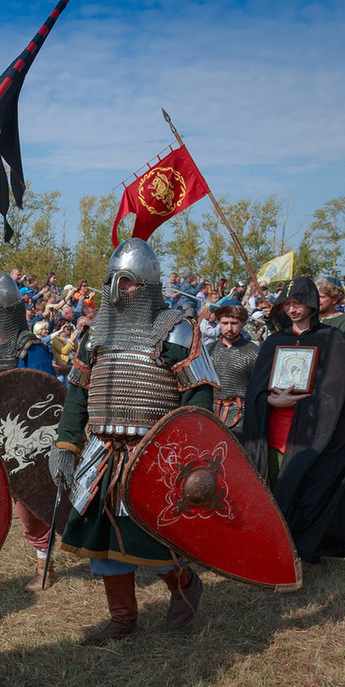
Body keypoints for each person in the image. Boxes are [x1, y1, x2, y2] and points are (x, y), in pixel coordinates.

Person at [47, 240, 217, 647]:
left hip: (153, 452)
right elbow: (77, 393)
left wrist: (184, 451)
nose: (119, 290)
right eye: (113, 282)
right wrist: (66, 444)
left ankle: (185, 585)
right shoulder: (96, 334)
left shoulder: (176, 328)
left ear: (149, 285)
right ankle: (123, 618)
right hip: (101, 451)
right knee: (100, 534)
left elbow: (200, 392)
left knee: (154, 535)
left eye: (128, 282)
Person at [240, 277, 345, 563]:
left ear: (312, 302)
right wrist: (270, 400)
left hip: (313, 432)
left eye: (297, 302)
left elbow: (338, 389)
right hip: (275, 430)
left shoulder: (330, 338)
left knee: (308, 491)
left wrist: (310, 402)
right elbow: (255, 389)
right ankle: (274, 549)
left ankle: (302, 549)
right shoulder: (275, 340)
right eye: (287, 303)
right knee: (276, 490)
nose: (292, 309)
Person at [0, 270, 60, 589]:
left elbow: (47, 398)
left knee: (31, 509)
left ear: (9, 308)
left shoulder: (30, 348)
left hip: (29, 443)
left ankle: (44, 565)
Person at [207, 300, 259, 436]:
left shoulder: (254, 351)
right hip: (211, 412)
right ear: (218, 322)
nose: (229, 328)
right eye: (225, 323)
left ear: (242, 323)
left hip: (241, 415)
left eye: (234, 323)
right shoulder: (208, 350)